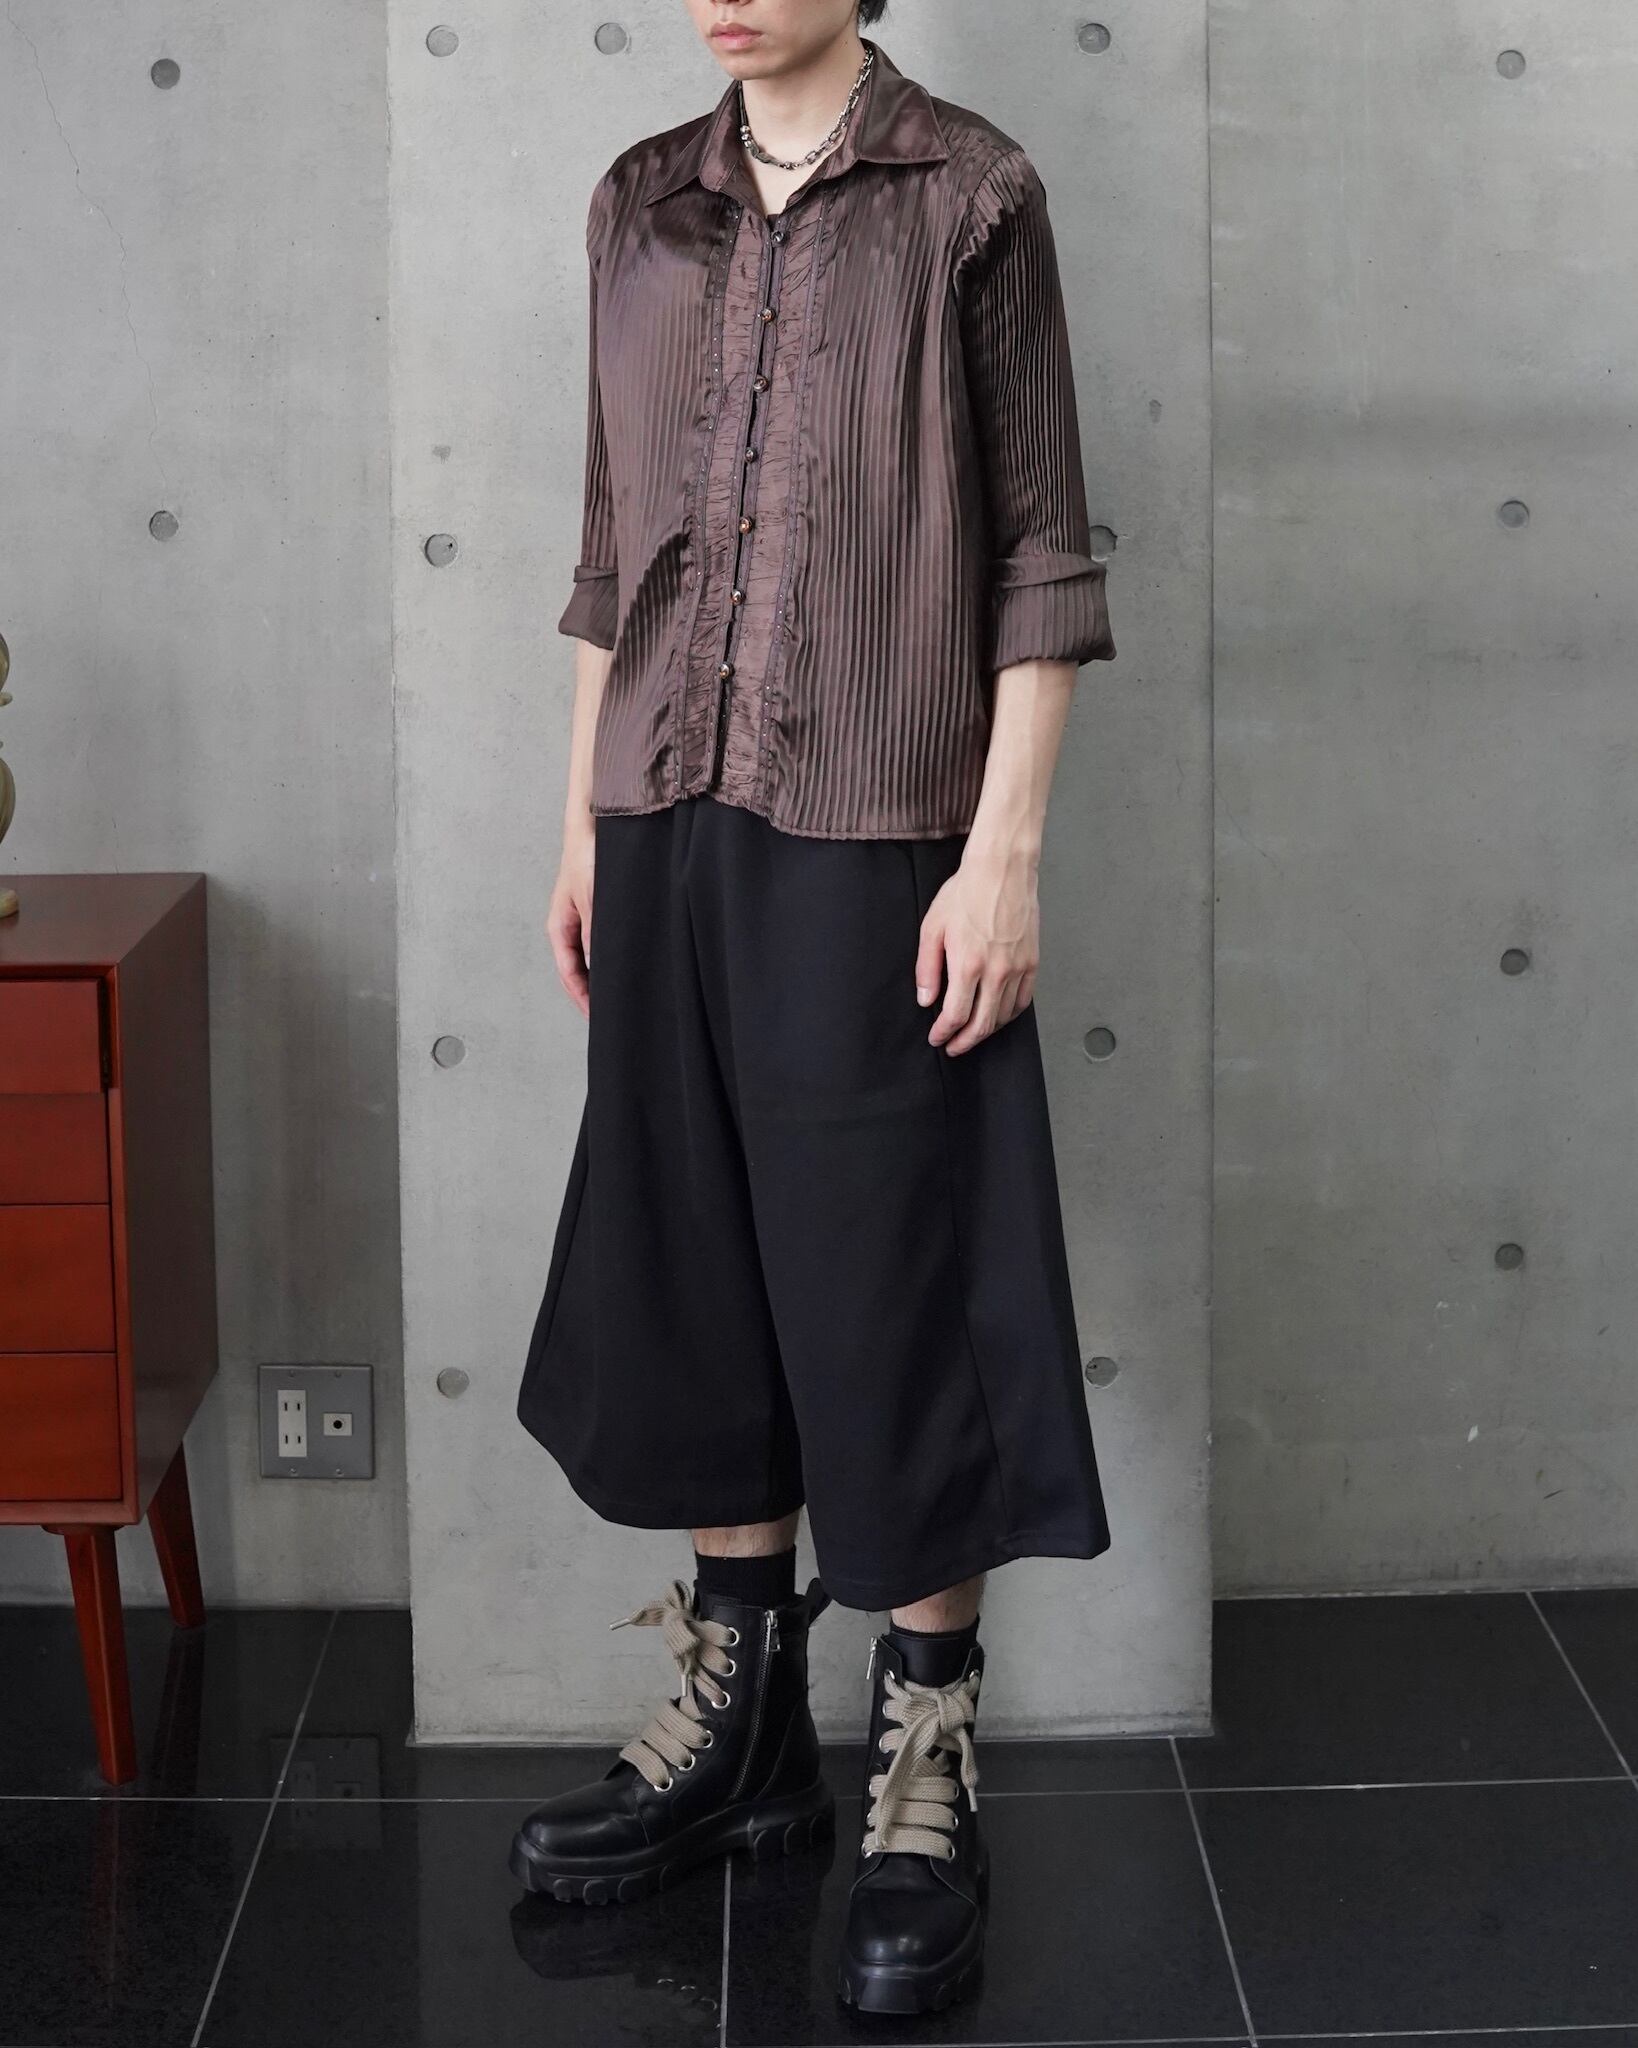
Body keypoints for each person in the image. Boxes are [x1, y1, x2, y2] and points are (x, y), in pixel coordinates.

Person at [510, 0, 1116, 2017]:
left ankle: (924, 1743)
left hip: (876, 820)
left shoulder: (970, 193)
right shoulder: (637, 202)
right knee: (688, 1258)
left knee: (888, 1278)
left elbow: (1042, 555)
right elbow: (612, 552)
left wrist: (1003, 856)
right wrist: (581, 825)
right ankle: (740, 1707)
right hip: (659, 813)